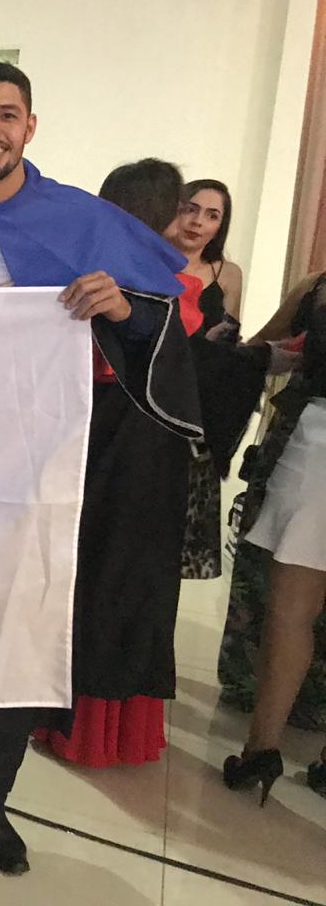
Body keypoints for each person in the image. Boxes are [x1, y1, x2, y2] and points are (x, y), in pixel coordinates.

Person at [0, 64, 202, 875]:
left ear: (29, 126)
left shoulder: (82, 220)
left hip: (34, 471)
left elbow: (158, 323)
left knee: (17, 630)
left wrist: (121, 307)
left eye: (6, 115)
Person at [35, 159, 273, 770]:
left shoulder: (106, 278)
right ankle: (98, 730)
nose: (191, 224)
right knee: (119, 582)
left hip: (106, 440)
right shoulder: (165, 288)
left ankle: (71, 723)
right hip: (138, 446)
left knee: (93, 576)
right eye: (184, 210)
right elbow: (195, 369)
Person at [223, 269, 326, 804]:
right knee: (291, 607)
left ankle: (261, 751)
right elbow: (266, 346)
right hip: (315, 438)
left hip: (318, 440)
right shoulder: (315, 285)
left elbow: (261, 345)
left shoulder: (318, 286)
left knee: (291, 609)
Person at [167, 180, 245, 579]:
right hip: (152, 398)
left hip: (198, 409)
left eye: (212, 215)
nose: (198, 222)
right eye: (191, 209)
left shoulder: (226, 274)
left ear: (220, 226)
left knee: (179, 534)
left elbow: (232, 341)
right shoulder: (150, 259)